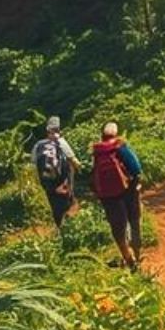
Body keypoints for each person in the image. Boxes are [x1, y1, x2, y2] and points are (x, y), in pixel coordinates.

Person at [89, 121, 143, 270]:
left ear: (102, 135)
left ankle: (128, 258)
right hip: (128, 191)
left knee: (118, 227)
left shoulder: (96, 152)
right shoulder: (120, 147)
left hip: (108, 197)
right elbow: (136, 167)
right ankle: (137, 253)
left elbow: (92, 176)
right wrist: (136, 182)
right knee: (134, 220)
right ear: (116, 134)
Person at [31, 115, 79, 228]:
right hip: (63, 181)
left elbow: (33, 164)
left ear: (47, 130)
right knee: (68, 201)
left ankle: (59, 226)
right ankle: (71, 225)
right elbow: (74, 161)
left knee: (54, 204)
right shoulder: (62, 142)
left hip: (47, 183)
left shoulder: (38, 145)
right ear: (59, 129)